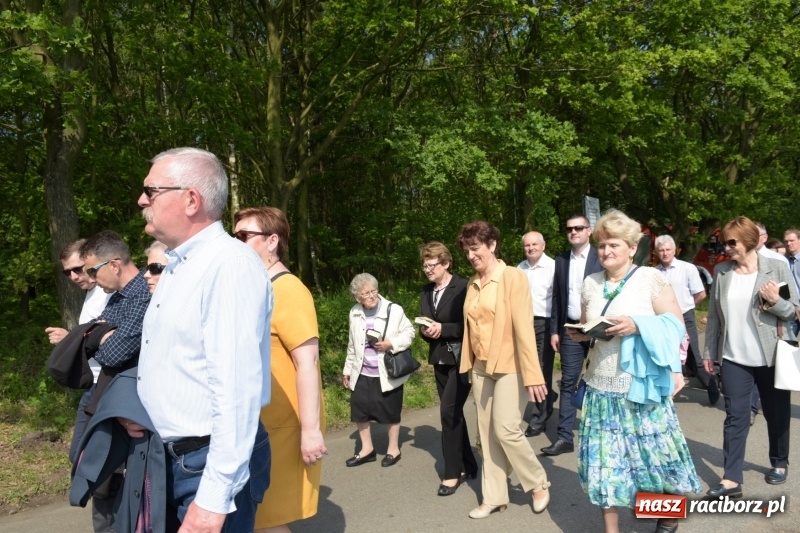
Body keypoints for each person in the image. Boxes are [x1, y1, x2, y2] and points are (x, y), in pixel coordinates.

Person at [129, 147, 273, 532]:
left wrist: (214, 496)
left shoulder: (229, 266)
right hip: (173, 457)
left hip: (207, 463)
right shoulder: (179, 264)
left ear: (191, 199)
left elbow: (237, 389)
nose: (142, 200)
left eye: (151, 190)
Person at [571, 209, 700, 533]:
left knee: (656, 463)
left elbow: (676, 325)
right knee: (605, 467)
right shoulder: (590, 283)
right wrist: (582, 332)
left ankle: (667, 516)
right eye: (601, 245)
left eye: (613, 244)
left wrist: (637, 325)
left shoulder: (650, 279)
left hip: (641, 389)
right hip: (601, 389)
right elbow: (588, 323)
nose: (606, 251)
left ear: (631, 247)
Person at [233, 206, 327, 532]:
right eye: (235, 236)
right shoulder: (256, 289)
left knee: (267, 520)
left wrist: (311, 431)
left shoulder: (288, 290)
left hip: (285, 426)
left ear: (272, 241)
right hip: (257, 423)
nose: (236, 243)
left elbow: (308, 363)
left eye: (244, 236)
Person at [457, 221, 551, 519]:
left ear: (492, 245)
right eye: (467, 251)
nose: (471, 256)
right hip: (482, 367)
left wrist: (534, 373)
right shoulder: (473, 283)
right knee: (486, 435)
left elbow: (524, 325)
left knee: (506, 429)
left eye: (476, 248)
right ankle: (494, 496)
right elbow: (471, 328)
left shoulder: (513, 277)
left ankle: (537, 482)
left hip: (512, 366)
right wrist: (468, 364)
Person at [703, 216, 798, 500]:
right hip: (734, 358)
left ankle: (779, 462)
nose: (727, 248)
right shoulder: (721, 271)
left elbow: (793, 311)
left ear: (748, 241)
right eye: (724, 243)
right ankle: (732, 478)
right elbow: (715, 319)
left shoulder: (776, 266)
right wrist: (709, 352)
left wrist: (774, 300)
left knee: (776, 413)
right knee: (735, 416)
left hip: (771, 356)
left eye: (732, 242)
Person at [45, 239, 112, 532]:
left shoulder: (108, 292)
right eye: (67, 273)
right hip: (93, 387)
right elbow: (94, 335)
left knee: (95, 462)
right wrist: (73, 336)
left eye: (78, 269)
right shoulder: (92, 294)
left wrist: (72, 339)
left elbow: (112, 339)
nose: (74, 277)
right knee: (83, 459)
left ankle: (116, 519)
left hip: (108, 385)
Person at [418, 242, 477, 496]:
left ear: (446, 263)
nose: (427, 269)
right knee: (453, 414)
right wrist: (426, 331)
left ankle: (452, 473)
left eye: (432, 265)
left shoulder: (464, 287)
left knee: (448, 412)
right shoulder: (426, 291)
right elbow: (425, 322)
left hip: (461, 358)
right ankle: (470, 463)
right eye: (424, 265)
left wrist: (444, 329)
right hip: (439, 358)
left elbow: (471, 324)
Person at [542, 214, 602, 456]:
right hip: (570, 330)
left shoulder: (602, 256)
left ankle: (601, 434)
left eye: (579, 228)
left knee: (601, 382)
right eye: (569, 229)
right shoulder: (562, 260)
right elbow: (557, 297)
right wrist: (555, 330)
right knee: (568, 382)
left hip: (598, 329)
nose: (573, 232)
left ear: (589, 231)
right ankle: (565, 437)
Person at [342, 273, 415, 468]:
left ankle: (393, 449)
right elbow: (352, 344)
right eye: (366, 293)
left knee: (390, 411)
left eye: (373, 290)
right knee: (360, 411)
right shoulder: (354, 312)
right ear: (358, 297)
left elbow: (410, 332)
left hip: (386, 372)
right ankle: (367, 450)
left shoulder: (394, 309)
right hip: (362, 371)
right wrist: (347, 370)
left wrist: (392, 343)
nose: (371, 295)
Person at [654, 235, 718, 405]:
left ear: (675, 250)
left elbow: (701, 294)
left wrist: (686, 309)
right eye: (661, 250)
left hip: (685, 317)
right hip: (663, 319)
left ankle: (711, 383)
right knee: (666, 356)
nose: (665, 253)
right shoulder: (654, 272)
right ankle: (666, 393)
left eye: (668, 249)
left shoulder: (688, 268)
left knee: (693, 356)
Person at [517, 231, 557, 437]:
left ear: (543, 245)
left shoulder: (553, 267)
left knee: (540, 370)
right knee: (525, 368)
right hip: (523, 323)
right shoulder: (519, 269)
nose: (531, 248)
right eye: (527, 245)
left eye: (534, 244)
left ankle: (539, 419)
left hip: (545, 323)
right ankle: (547, 399)